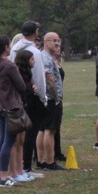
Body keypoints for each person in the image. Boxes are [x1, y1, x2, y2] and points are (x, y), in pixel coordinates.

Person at [9, 21, 46, 176]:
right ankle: (26, 167)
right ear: (35, 32)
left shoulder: (14, 48)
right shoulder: (34, 52)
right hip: (31, 95)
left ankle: (20, 166)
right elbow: (39, 76)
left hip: (17, 93)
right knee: (31, 132)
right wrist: (43, 97)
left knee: (20, 134)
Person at [0, 35, 25, 187]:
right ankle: (4, 176)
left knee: (2, 141)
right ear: (5, 47)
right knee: (8, 142)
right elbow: (21, 86)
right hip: (10, 105)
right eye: (9, 45)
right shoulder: (9, 66)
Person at [37, 31, 65, 169]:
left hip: (44, 98)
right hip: (51, 99)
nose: (57, 43)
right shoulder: (46, 57)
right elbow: (50, 79)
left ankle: (40, 161)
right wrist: (56, 97)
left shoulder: (43, 56)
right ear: (46, 42)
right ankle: (49, 162)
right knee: (50, 130)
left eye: (58, 40)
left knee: (42, 129)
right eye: (54, 40)